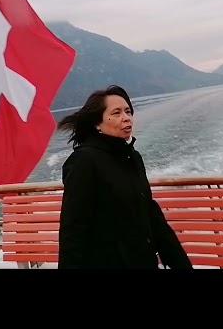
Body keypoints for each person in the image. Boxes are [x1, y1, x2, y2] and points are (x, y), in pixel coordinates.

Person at [57, 85, 193, 269]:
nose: (126, 118)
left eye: (128, 111)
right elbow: (73, 230)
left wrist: (181, 264)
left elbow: (151, 216)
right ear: (97, 123)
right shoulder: (84, 161)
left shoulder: (132, 157)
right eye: (117, 112)